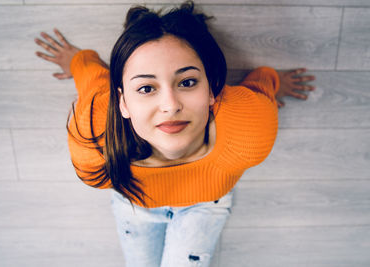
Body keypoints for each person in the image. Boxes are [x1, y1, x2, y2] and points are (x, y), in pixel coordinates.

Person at [34, 1, 315, 266]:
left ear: (212, 90)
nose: (170, 106)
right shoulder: (96, 140)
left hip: (204, 205)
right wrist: (76, 59)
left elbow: (260, 85)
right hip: (134, 203)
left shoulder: (249, 128)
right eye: (146, 88)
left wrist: (274, 80)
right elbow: (93, 77)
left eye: (188, 82)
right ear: (121, 102)